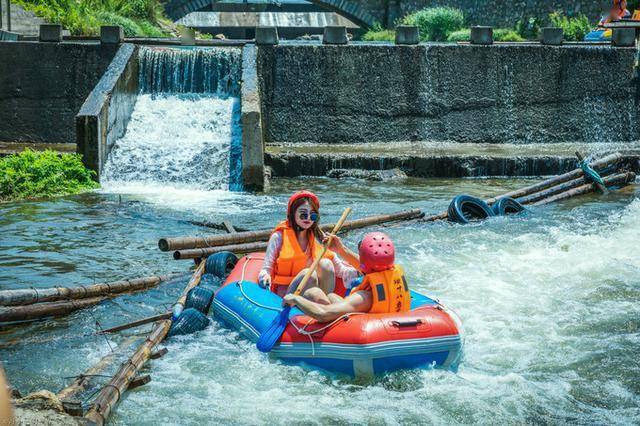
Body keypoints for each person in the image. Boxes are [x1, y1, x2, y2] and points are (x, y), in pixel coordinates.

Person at [283, 232, 412, 322]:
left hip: (361, 326)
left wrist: (296, 298)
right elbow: (369, 266)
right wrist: (341, 250)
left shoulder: (363, 297)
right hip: (385, 321)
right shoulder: (391, 272)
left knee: (313, 293)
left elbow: (323, 314)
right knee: (332, 296)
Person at [258, 190, 359, 298]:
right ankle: (318, 307)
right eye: (303, 214)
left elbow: (341, 271)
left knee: (326, 264)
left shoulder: (319, 238)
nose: (308, 218)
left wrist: (359, 272)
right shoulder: (279, 237)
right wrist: (265, 277)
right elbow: (266, 269)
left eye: (313, 216)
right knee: (309, 274)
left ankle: (323, 307)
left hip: (313, 293)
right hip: (286, 294)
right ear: (292, 214)